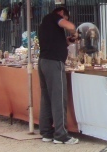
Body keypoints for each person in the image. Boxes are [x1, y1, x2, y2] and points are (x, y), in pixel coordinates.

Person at [37, 7, 79, 144]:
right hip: (54, 62)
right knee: (59, 97)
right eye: (66, 17)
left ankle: (46, 132)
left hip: (44, 61)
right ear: (61, 13)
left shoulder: (46, 24)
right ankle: (61, 134)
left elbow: (57, 43)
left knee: (47, 98)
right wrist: (74, 30)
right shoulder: (53, 17)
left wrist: (70, 40)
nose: (65, 20)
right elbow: (69, 25)